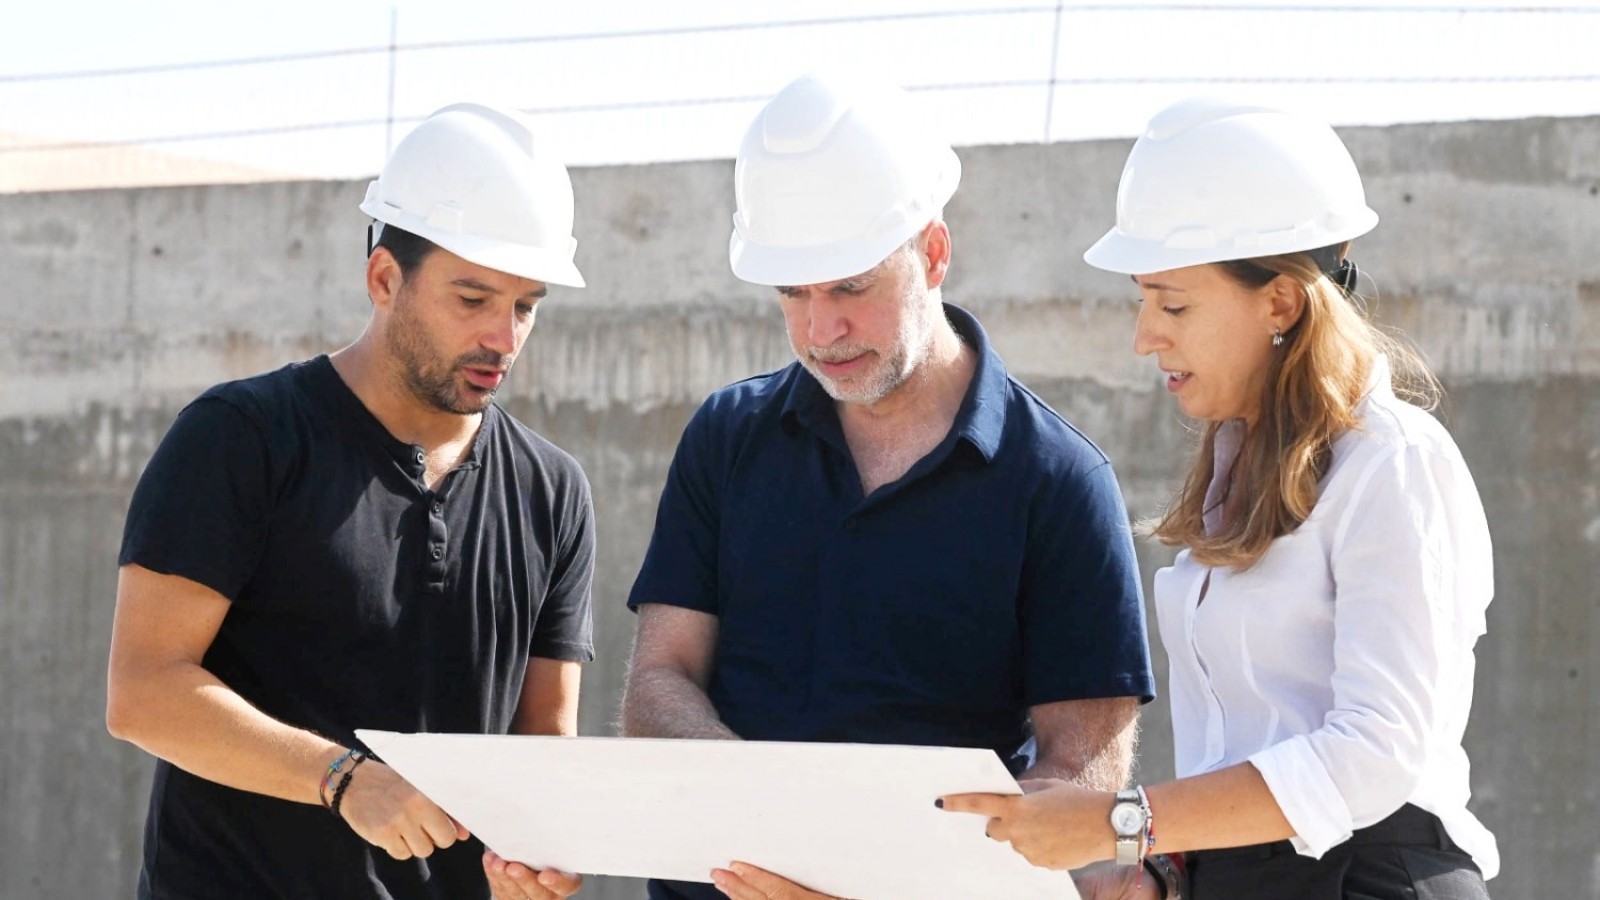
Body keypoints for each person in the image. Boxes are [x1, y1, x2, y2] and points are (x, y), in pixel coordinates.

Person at [617, 72, 1157, 900]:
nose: (820, 330)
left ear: (933, 253)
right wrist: (760, 815)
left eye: (850, 285)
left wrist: (879, 880)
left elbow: (1082, 775)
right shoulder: (725, 438)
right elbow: (659, 681)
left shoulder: (1059, 481)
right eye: (792, 292)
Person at [942, 98, 1498, 900]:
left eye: (1174, 304)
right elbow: (1250, 752)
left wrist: (1121, 823)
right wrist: (1167, 872)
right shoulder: (1238, 474)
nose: (1145, 336)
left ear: (1281, 302)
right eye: (1143, 300)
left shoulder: (1392, 463)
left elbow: (1377, 754)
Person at [105, 103, 594, 900]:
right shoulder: (241, 438)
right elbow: (143, 692)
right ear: (384, 279)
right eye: (472, 299)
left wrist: (536, 861)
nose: (503, 338)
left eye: (525, 306)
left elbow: (543, 738)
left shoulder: (553, 491)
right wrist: (343, 779)